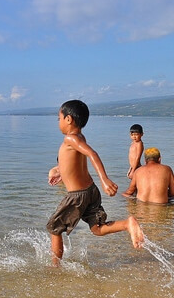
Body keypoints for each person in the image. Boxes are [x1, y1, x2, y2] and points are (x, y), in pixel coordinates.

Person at [46, 100, 144, 266]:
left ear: (68, 119)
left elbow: (92, 154)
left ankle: (55, 267)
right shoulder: (79, 137)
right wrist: (61, 172)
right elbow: (75, 163)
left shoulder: (70, 139)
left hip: (77, 195)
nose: (59, 123)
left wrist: (105, 180)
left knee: (54, 228)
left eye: (59, 118)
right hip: (90, 191)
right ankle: (127, 224)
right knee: (97, 228)